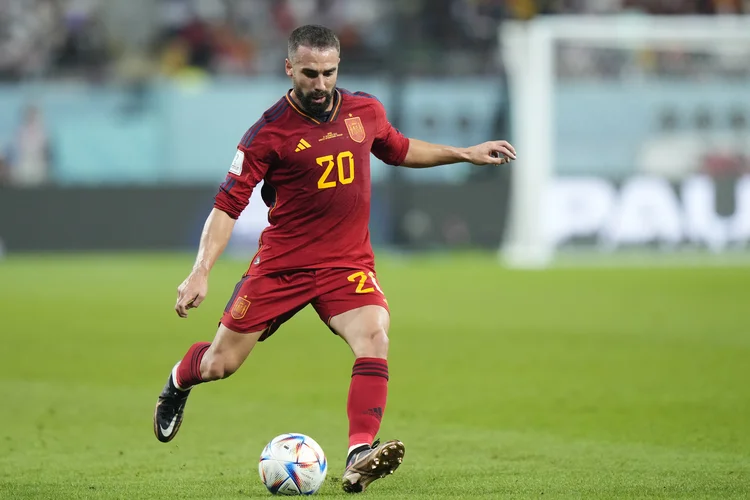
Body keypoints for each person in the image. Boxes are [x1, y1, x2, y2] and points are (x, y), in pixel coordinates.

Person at [153, 24, 516, 493]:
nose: (321, 84)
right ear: (289, 68)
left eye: (328, 73)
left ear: (338, 66)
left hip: (346, 264)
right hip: (283, 264)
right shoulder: (266, 134)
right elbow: (227, 206)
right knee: (219, 364)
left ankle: (360, 451)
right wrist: (200, 270)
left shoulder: (364, 110)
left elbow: (400, 149)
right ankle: (179, 381)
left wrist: (463, 153)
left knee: (374, 334)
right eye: (310, 73)